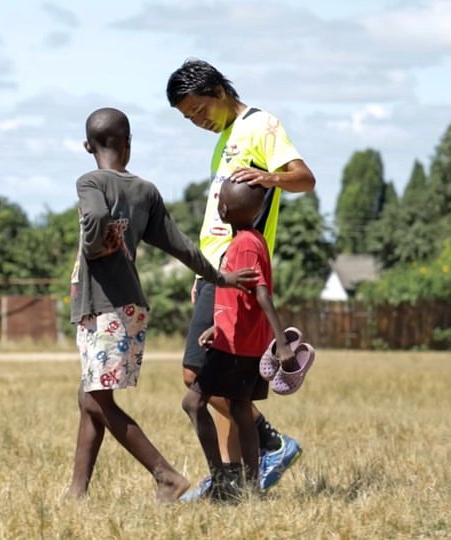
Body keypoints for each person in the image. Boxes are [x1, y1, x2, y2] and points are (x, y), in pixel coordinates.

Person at [66, 107, 257, 503]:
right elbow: (181, 244)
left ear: (88, 146)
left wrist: (93, 242)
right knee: (91, 398)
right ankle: (76, 492)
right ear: (129, 143)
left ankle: (166, 476)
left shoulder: (90, 181)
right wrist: (220, 276)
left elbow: (97, 216)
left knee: (97, 399)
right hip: (127, 306)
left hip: (105, 305)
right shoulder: (144, 191)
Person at [166, 58, 316, 494]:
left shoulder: (262, 125)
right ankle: (233, 480)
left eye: (199, 110)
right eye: (188, 118)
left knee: (197, 379)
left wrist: (269, 177)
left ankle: (268, 445)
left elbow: (304, 179)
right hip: (215, 271)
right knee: (225, 386)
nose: (198, 122)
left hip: (238, 272)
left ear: (219, 91)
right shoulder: (225, 139)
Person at [182, 180, 295, 501]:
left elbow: (260, 293)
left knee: (192, 402)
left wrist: (282, 341)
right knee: (241, 409)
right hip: (236, 340)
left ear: (222, 210)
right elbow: (241, 300)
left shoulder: (243, 245)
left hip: (234, 347)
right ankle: (250, 489)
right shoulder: (253, 240)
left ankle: (221, 481)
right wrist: (217, 326)